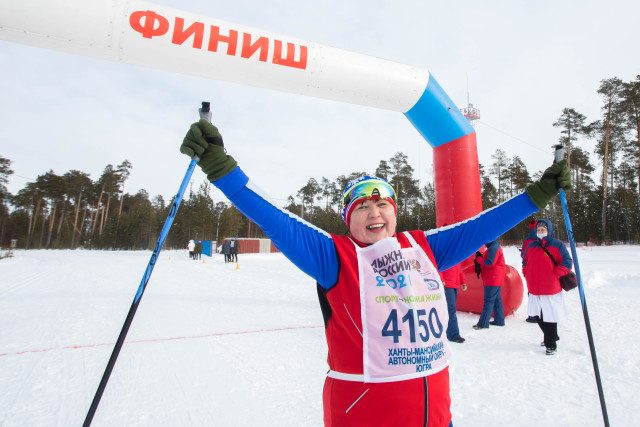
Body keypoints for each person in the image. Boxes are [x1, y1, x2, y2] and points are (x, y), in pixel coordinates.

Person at [179, 118, 571, 426]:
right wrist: (222, 170)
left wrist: (537, 194)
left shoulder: (423, 247)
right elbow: (277, 221)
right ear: (349, 219)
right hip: (365, 417)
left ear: (394, 213)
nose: (374, 211)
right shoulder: (335, 255)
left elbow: (482, 226)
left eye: (382, 203)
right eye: (362, 206)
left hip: (436, 416)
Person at [522, 219, 572, 355]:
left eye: (543, 230)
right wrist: (525, 272)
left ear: (549, 231)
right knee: (537, 315)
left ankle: (551, 344)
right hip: (534, 287)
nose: (540, 232)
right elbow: (524, 260)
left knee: (550, 315)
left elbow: (567, 262)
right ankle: (551, 335)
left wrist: (557, 272)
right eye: (538, 230)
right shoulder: (532, 245)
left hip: (550, 287)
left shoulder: (558, 245)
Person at [440, 225, 468, 344]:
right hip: (447, 284)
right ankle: (453, 334)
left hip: (455, 283)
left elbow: (459, 267)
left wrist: (463, 281)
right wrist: (441, 279)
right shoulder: (441, 247)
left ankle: (446, 331)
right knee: (450, 309)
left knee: (450, 309)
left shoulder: (455, 248)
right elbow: (437, 264)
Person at [472, 240, 506, 329]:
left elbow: (490, 262)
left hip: (492, 278)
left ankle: (483, 323)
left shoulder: (493, 248)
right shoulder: (494, 246)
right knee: (496, 300)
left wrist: (479, 259)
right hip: (496, 278)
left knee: (489, 300)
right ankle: (499, 320)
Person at [522, 220, 539, 323]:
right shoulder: (541, 238)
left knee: (531, 292)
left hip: (530, 268)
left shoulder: (527, 240)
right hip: (541, 268)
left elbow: (523, 255)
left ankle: (532, 316)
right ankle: (541, 314)